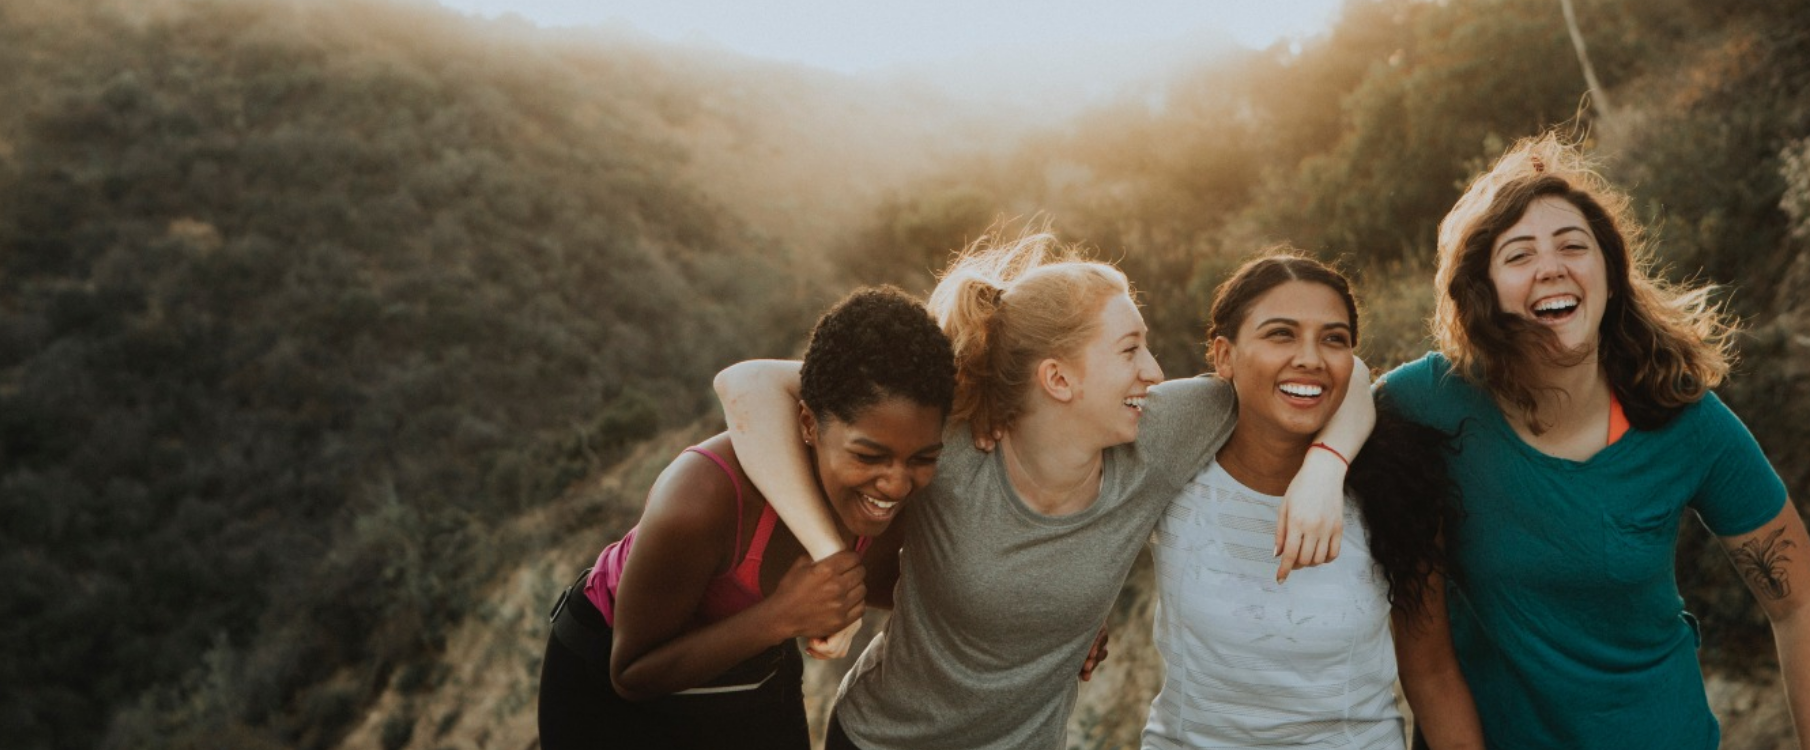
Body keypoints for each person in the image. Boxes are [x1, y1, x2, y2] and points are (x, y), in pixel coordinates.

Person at [714, 231, 1375, 750]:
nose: (1154, 370)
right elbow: (746, 384)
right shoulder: (950, 441)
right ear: (1058, 380)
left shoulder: (1164, 430)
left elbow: (1347, 373)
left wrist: (1325, 466)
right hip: (881, 740)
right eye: (1130, 350)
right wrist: (833, 557)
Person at [1381, 133, 1810, 748]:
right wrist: (1322, 463)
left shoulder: (1685, 419)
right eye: (1519, 254)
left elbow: (1798, 603)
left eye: (1573, 246)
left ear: (1610, 274)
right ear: (1484, 288)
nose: (1551, 266)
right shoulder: (1433, 399)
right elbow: (1331, 394)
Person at [535, 286, 956, 750]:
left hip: (751, 664)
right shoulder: (701, 499)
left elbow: (908, 588)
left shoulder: (888, 500)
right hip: (611, 680)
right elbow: (631, 674)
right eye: (868, 455)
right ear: (809, 425)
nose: (896, 484)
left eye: (922, 458)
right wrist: (783, 615)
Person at [1141, 253, 1483, 749]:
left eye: (1333, 339)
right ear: (1223, 356)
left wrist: (1326, 466)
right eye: (1281, 333)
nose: (1310, 358)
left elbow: (1431, 676)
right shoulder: (1175, 463)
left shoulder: (1396, 486)